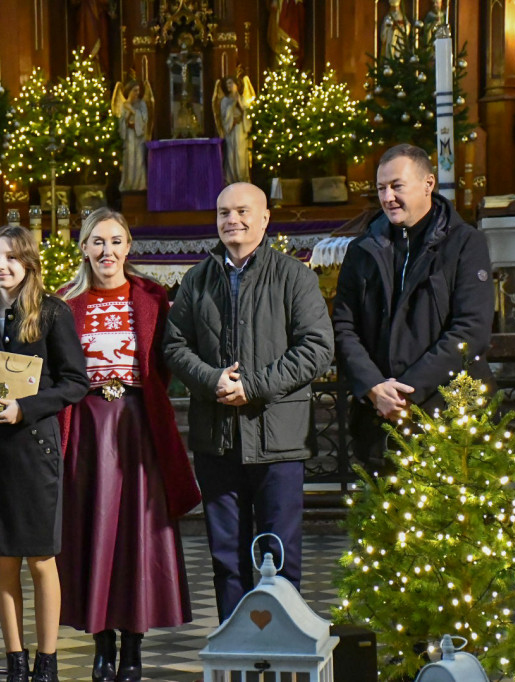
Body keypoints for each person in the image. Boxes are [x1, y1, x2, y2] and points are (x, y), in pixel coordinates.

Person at [163, 182, 333, 621]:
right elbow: (174, 346)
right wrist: (212, 379)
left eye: (241, 211)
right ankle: (235, 656)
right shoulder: (198, 279)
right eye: (223, 212)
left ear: (264, 218)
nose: (231, 220)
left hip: (278, 439)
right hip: (217, 439)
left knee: (281, 557)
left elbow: (317, 348)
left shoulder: (294, 275)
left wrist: (252, 386)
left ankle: (284, 651)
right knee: (226, 558)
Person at [58, 208, 201, 681]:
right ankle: (102, 643)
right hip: (87, 424)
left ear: (129, 246)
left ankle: (133, 645)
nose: (107, 252)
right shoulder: (63, 301)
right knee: (92, 529)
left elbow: (164, 361)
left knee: (137, 534)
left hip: (138, 424)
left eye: (116, 241)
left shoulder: (152, 295)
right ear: (83, 247)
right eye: (97, 242)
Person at [0, 225, 88, 682]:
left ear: (29, 263)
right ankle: (15, 659)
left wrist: (25, 408)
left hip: (35, 449)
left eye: (12, 258)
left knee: (40, 558)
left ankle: (47, 661)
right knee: (4, 559)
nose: (2, 266)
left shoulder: (53, 312)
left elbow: (76, 382)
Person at [332, 143, 494, 471]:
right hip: (379, 419)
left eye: (397, 186)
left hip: (448, 414)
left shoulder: (464, 243)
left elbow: (470, 329)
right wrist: (373, 387)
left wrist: (407, 391)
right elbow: (343, 327)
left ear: (428, 184)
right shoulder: (363, 249)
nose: (388, 197)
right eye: (381, 188)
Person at [219, 78, 252, 185]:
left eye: (230, 83)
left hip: (241, 129)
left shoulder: (242, 98)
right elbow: (223, 116)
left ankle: (242, 180)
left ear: (237, 84)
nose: (228, 86)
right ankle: (231, 181)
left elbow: (248, 113)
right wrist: (231, 112)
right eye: (227, 84)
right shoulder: (224, 100)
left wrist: (239, 104)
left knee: (240, 154)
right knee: (231, 155)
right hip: (231, 129)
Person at [118, 81, 149, 192]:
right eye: (135, 90)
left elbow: (144, 119)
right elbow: (122, 122)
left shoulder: (141, 104)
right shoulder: (124, 104)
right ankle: (129, 185)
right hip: (129, 136)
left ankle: (140, 185)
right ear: (129, 91)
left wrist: (132, 109)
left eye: (138, 90)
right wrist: (128, 114)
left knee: (139, 159)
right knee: (130, 160)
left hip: (138, 136)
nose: (137, 92)